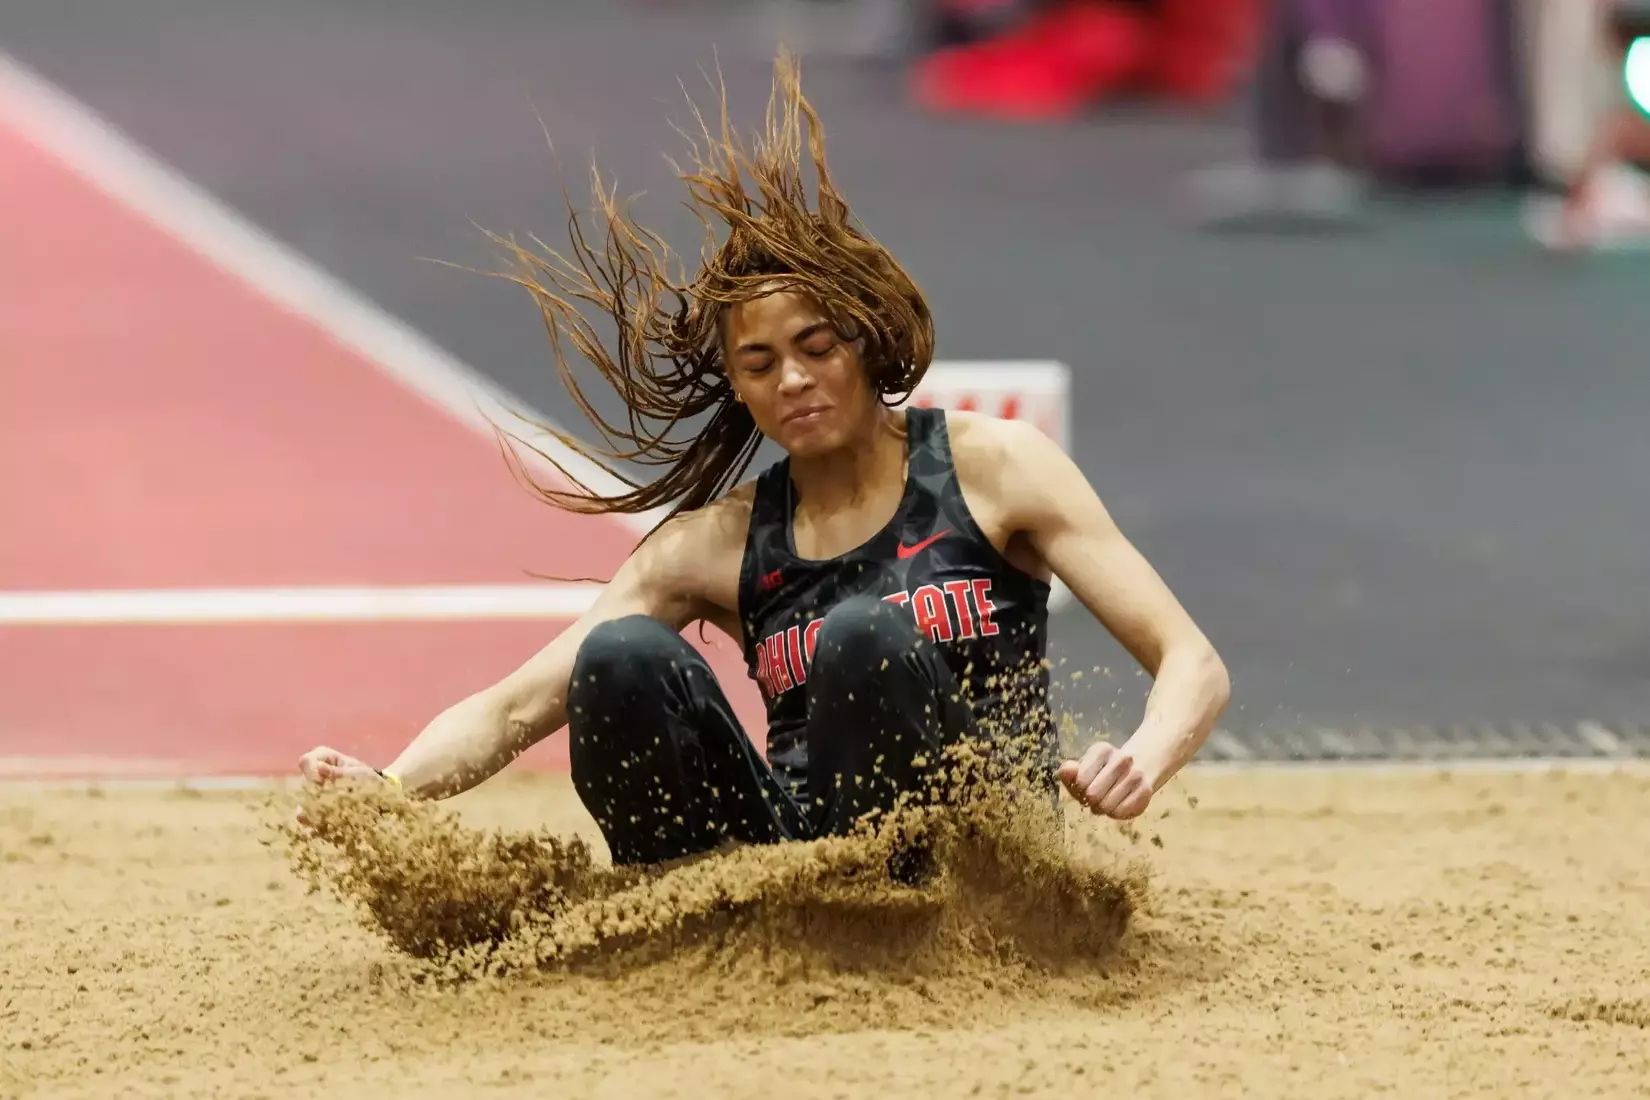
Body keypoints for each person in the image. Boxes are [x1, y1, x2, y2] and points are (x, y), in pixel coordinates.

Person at [298, 52, 1231, 871]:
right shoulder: (718, 545)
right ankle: (693, 925)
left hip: (971, 869)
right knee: (620, 656)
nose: (792, 379)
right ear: (740, 390)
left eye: (816, 347)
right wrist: (389, 791)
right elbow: (512, 710)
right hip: (802, 871)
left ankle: (911, 926)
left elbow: (1192, 660)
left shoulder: (995, 468)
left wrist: (1143, 758)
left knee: (863, 636)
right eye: (759, 364)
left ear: (866, 342)